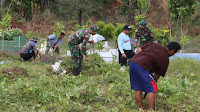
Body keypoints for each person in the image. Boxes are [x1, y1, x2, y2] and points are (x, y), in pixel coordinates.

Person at [129, 42, 181, 110]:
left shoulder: (154, 45)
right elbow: (156, 76)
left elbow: (139, 50)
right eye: (174, 53)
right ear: (173, 51)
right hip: (143, 67)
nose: (173, 55)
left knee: (138, 87)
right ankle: (151, 110)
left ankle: (140, 108)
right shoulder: (165, 59)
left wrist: (141, 58)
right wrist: (153, 83)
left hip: (133, 62)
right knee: (152, 89)